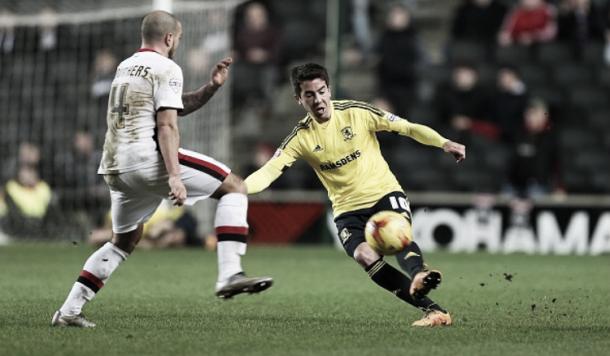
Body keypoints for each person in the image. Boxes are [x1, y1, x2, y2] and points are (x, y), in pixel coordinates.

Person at [51, 11, 272, 328]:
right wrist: (173, 175)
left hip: (115, 166)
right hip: (147, 159)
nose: (178, 43)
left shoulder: (126, 66)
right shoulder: (167, 66)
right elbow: (166, 125)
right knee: (234, 186)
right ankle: (229, 274)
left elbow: (172, 106)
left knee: (123, 241)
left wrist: (210, 87)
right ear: (170, 38)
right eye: (178, 38)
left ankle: (69, 311)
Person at [245, 63, 466, 327]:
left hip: (383, 192)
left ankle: (420, 273)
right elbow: (269, 171)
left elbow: (408, 127)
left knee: (395, 231)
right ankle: (434, 311)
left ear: (329, 89)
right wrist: (240, 190)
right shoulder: (300, 137)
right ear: (298, 99)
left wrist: (444, 142)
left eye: (322, 91)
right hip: (347, 209)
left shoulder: (357, 113)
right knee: (364, 256)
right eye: (309, 95)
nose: (318, 100)